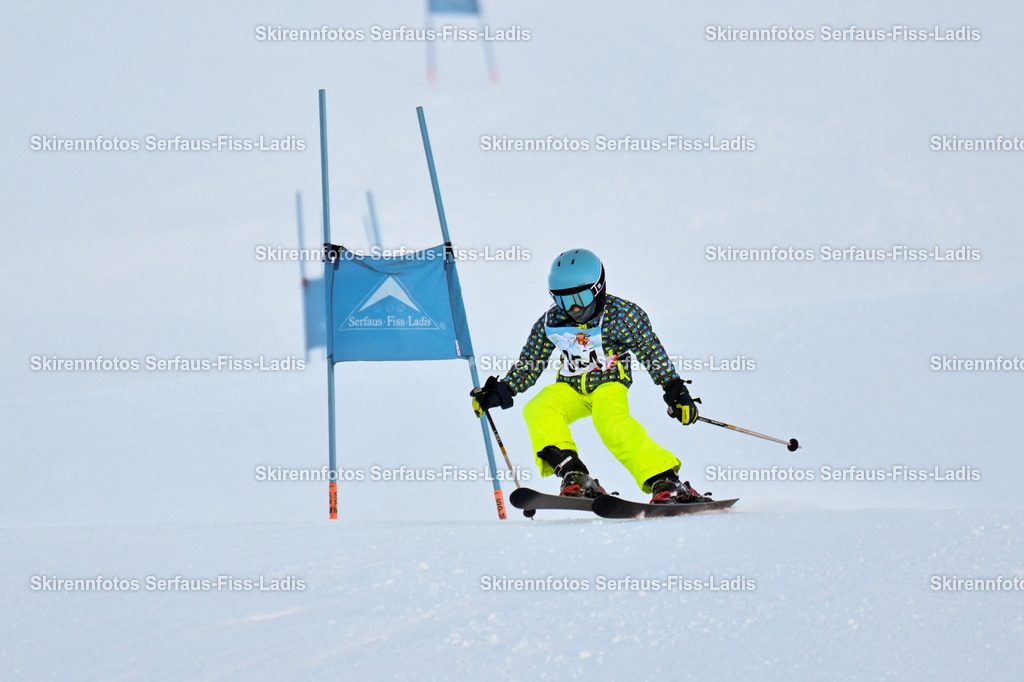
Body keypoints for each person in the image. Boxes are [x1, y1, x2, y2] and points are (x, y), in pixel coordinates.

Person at [471, 248, 712, 503]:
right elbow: (531, 362)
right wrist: (503, 389)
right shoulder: (551, 321)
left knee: (608, 419)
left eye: (581, 297)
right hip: (570, 388)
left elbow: (651, 351)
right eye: (563, 300)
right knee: (538, 408)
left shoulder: (624, 315)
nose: (573, 307)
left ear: (599, 288)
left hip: (608, 384)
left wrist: (673, 388)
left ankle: (665, 479)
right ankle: (574, 474)